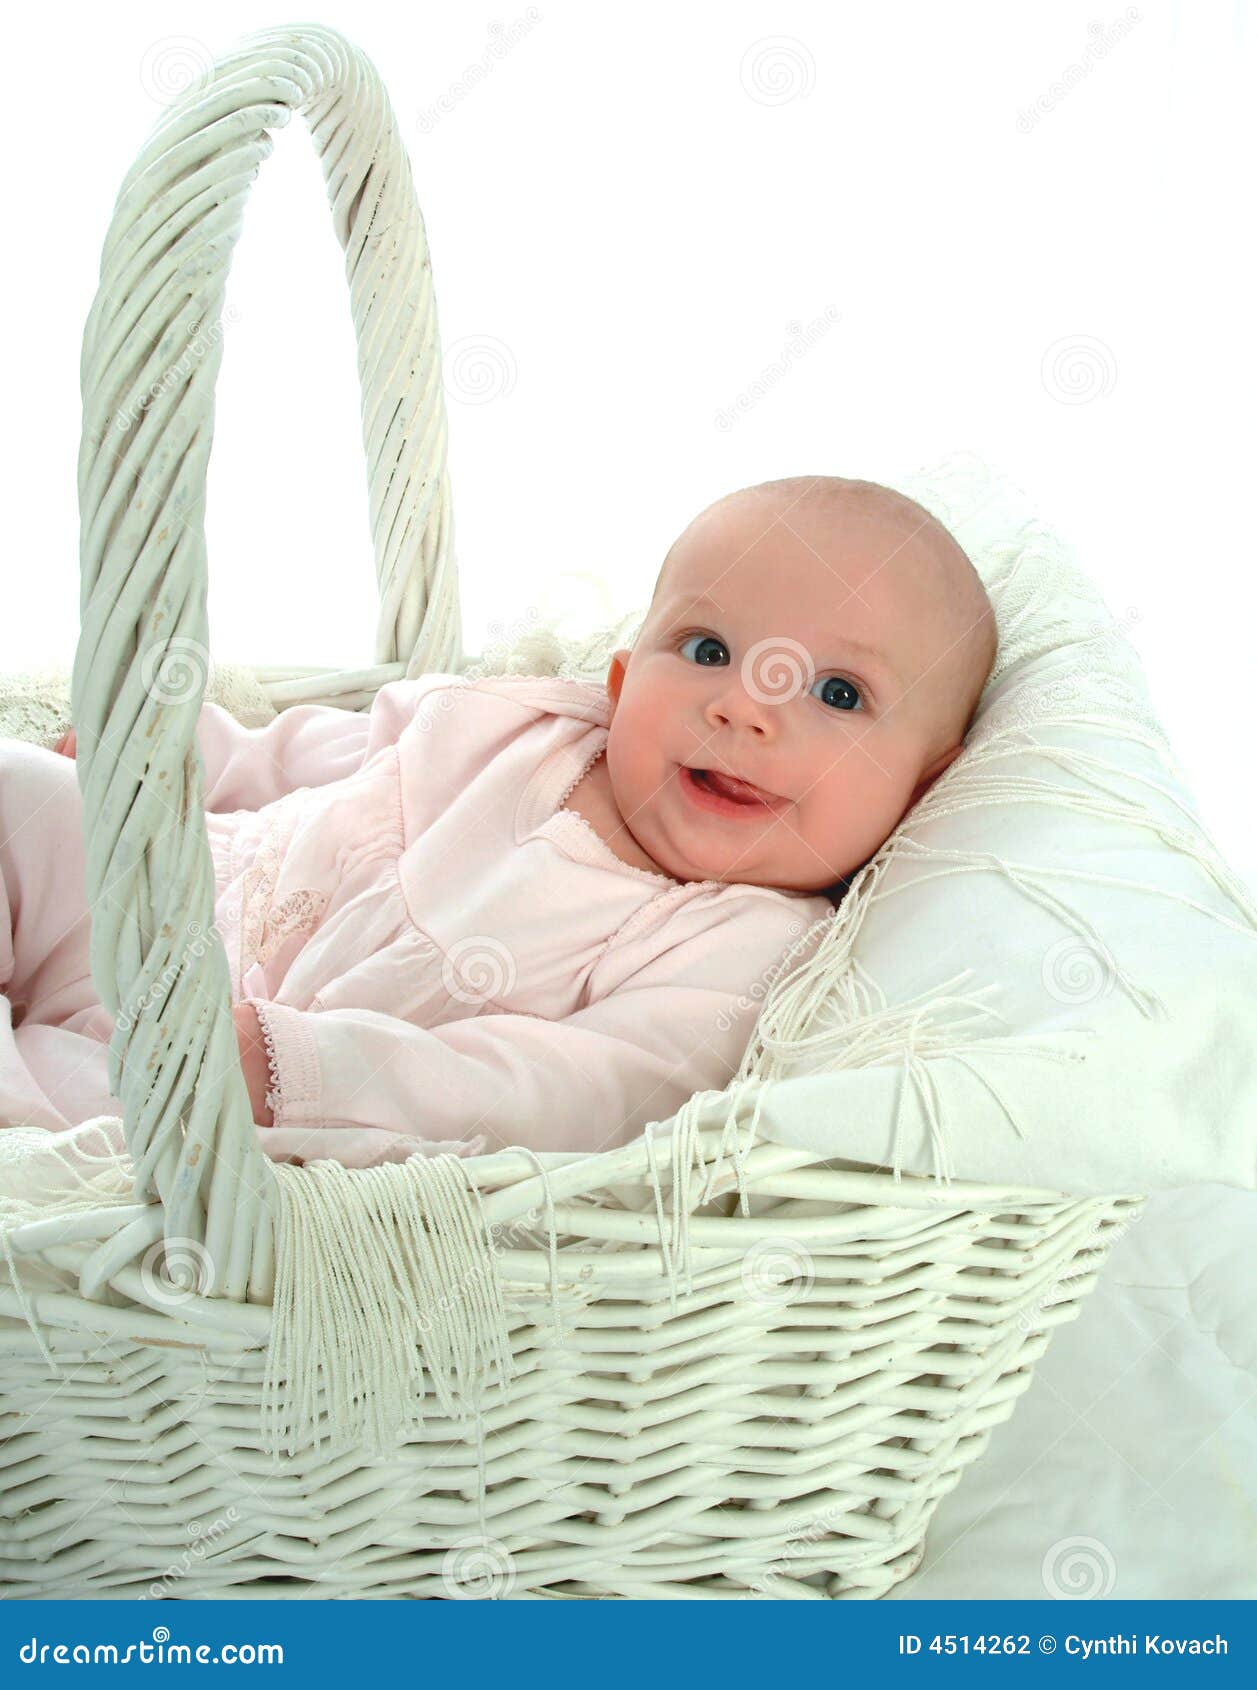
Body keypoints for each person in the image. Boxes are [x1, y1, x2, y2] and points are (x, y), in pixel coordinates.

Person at [6, 475, 996, 1168]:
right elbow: (330, 749)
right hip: (167, 892)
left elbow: (572, 1093)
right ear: (621, 675)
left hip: (220, 1091)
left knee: (82, 1146)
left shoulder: (745, 945)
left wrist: (298, 1070)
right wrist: (173, 766)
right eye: (704, 647)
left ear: (923, 784)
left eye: (837, 692)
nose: (745, 706)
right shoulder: (527, 723)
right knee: (24, 797)